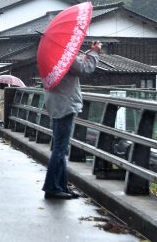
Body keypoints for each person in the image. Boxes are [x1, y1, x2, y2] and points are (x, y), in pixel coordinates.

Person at [42, 41, 101, 200]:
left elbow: (75, 66)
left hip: (56, 103)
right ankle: (52, 187)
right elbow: (84, 69)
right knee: (60, 149)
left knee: (60, 147)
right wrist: (94, 53)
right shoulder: (64, 55)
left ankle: (61, 186)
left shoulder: (50, 56)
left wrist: (84, 56)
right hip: (65, 104)